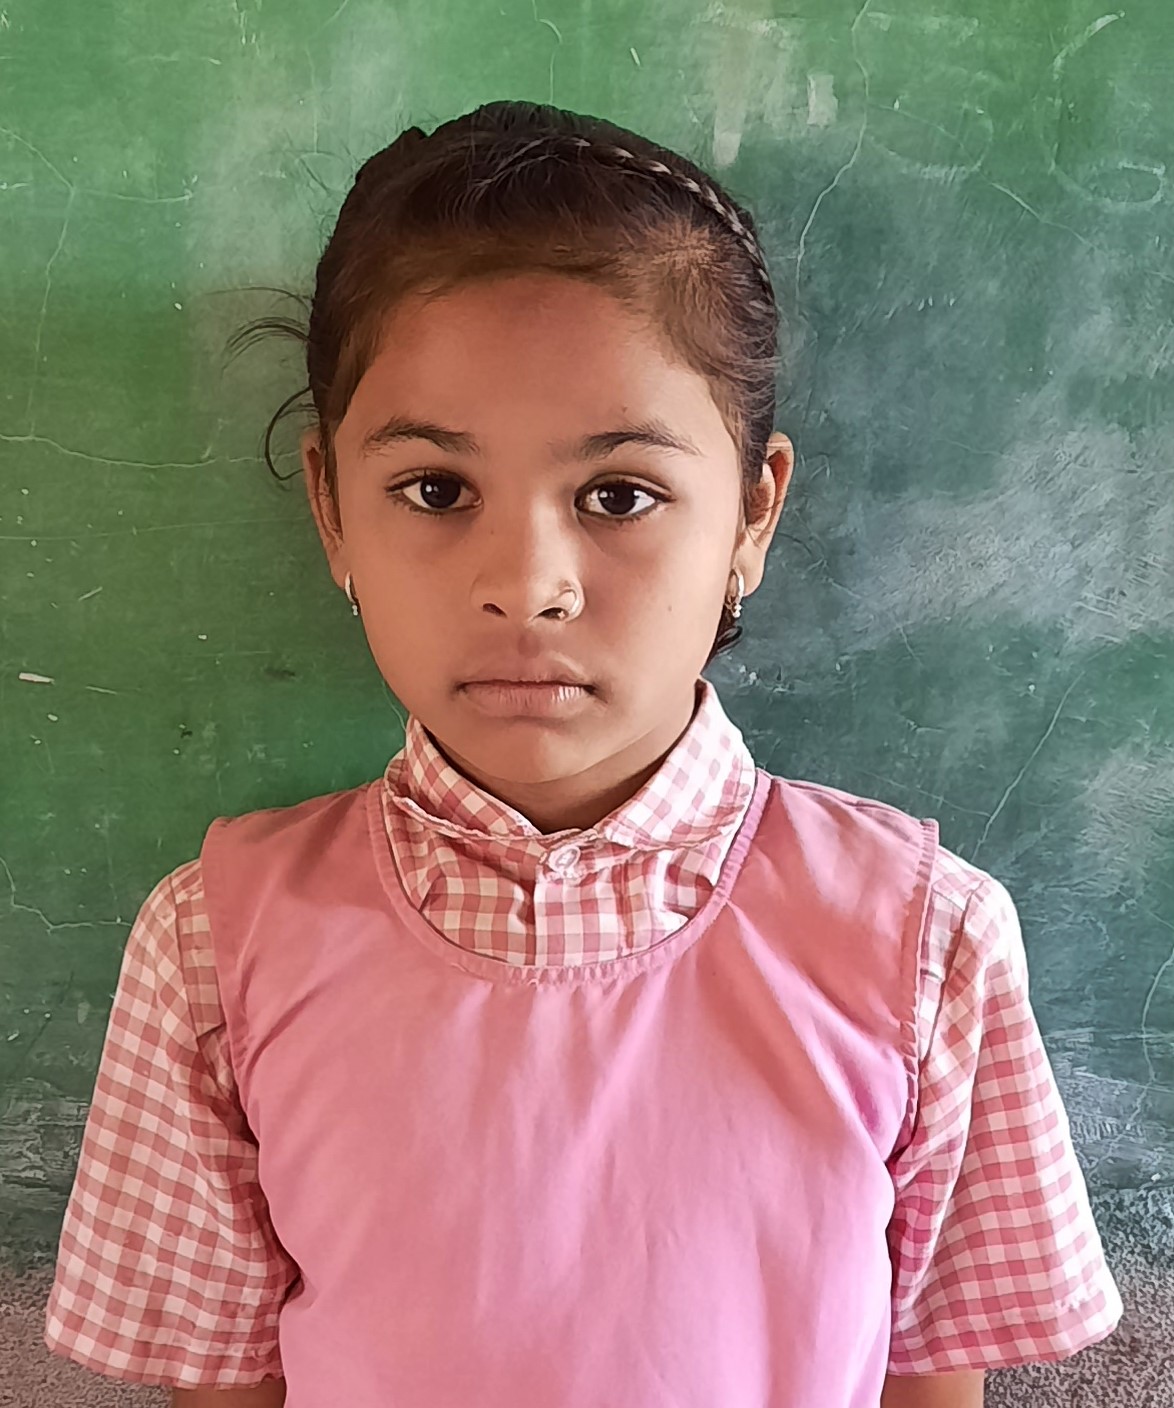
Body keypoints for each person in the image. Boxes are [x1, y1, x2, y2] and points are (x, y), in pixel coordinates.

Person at [43, 101, 1122, 1408]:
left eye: (618, 495)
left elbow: (929, 1379)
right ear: (331, 509)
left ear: (753, 511)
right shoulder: (216, 950)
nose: (528, 583)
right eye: (436, 491)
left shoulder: (921, 945)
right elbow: (226, 1388)